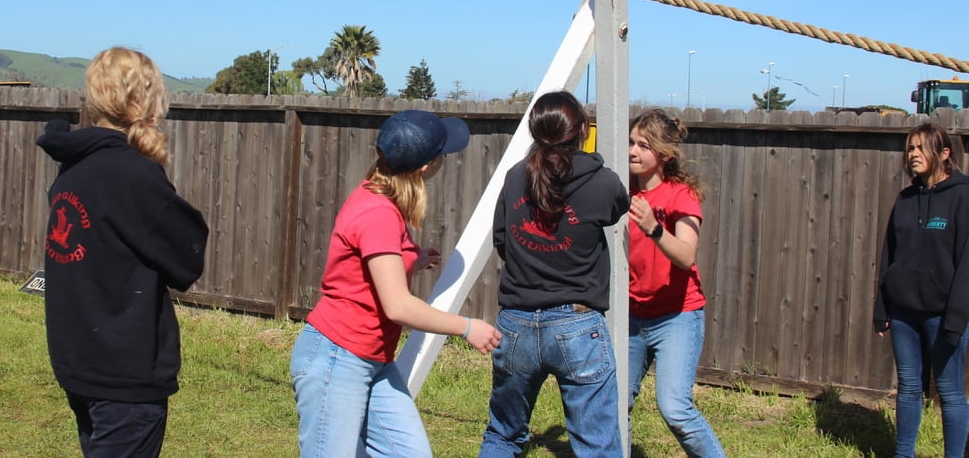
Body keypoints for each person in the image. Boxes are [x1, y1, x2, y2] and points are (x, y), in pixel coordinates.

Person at [290, 109, 502, 456]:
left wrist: (408, 260)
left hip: (372, 360)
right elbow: (398, 306)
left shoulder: (379, 196)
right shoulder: (378, 212)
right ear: (425, 166)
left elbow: (366, 264)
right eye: (442, 154)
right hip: (337, 359)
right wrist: (466, 327)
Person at [37, 47, 209, 458]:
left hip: (78, 361)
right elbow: (187, 257)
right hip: (123, 375)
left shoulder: (74, 165)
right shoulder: (133, 174)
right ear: (148, 100)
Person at [480, 90, 630, 457]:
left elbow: (502, 240)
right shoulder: (601, 181)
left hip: (515, 322)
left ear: (534, 130)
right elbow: (617, 208)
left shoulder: (515, 177)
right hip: (576, 324)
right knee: (596, 445)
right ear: (583, 130)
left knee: (502, 435)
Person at [627, 109, 725, 458]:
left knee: (675, 409)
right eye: (631, 142)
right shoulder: (623, 191)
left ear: (664, 154)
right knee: (614, 404)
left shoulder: (679, 195)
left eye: (643, 146)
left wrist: (654, 228)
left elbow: (686, 255)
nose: (633, 151)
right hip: (632, 316)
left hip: (677, 317)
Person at [874, 122, 969, 458]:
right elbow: (889, 255)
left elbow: (966, 265)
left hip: (943, 316)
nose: (913, 154)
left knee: (950, 392)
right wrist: (882, 309)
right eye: (910, 148)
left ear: (944, 154)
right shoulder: (905, 199)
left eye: (920, 148)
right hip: (904, 314)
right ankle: (904, 454)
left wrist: (956, 319)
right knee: (908, 388)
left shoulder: (962, 196)